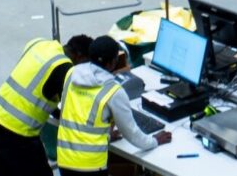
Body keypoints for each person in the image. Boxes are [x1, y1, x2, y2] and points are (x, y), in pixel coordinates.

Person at [0, 32, 93, 176]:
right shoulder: (65, 69)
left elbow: (37, 87)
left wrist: (56, 113)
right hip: (17, 136)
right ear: (79, 56)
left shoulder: (39, 45)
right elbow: (73, 114)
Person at [52, 36, 166, 172]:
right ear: (113, 62)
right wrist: (154, 141)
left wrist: (106, 135)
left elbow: (75, 114)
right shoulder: (113, 91)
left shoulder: (72, 74)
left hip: (65, 159)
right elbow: (132, 133)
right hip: (91, 165)